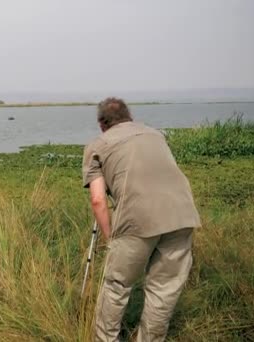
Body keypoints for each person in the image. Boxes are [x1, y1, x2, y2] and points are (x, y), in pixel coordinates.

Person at [82, 97, 201, 341]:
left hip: (137, 219)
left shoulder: (98, 144)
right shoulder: (156, 135)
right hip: (182, 214)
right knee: (164, 290)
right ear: (130, 118)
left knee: (116, 285)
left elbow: (97, 200)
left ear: (101, 124)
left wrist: (110, 239)